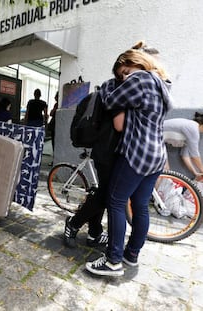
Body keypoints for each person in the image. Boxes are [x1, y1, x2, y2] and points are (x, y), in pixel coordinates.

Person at [85, 49, 173, 277]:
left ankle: (113, 261)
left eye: (126, 71)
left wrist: (107, 87)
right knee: (141, 205)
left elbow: (111, 101)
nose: (124, 78)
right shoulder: (161, 83)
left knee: (115, 202)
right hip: (157, 155)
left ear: (137, 63)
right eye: (121, 75)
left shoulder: (141, 79)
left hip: (137, 153)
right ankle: (131, 255)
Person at [64, 92, 123, 248]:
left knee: (102, 193)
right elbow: (118, 125)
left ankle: (94, 233)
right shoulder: (117, 93)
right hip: (106, 152)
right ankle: (73, 223)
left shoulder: (119, 91)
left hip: (110, 152)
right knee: (104, 195)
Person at [163, 113, 203, 180]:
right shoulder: (193, 128)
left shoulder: (191, 131)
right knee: (165, 170)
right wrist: (202, 170)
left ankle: (156, 190)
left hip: (159, 141)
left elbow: (185, 156)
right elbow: (194, 155)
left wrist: (195, 173)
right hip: (153, 137)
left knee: (166, 171)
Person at [48, 91, 59, 160]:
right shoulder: (58, 104)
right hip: (56, 126)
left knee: (54, 143)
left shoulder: (57, 105)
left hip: (55, 125)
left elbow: (51, 113)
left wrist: (53, 110)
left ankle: (54, 159)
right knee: (55, 143)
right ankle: (55, 159)